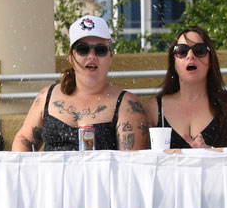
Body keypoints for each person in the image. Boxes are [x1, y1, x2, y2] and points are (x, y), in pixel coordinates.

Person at [12, 15, 147, 152]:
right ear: (71, 56)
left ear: (110, 56)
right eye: (83, 49)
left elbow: (130, 165)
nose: (92, 56)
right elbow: (24, 139)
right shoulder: (47, 96)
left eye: (100, 50)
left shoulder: (126, 105)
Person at [143, 26, 227, 148]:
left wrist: (211, 152)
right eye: (182, 51)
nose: (191, 55)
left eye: (200, 50)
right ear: (174, 63)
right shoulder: (153, 110)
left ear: (210, 60)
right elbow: (137, 161)